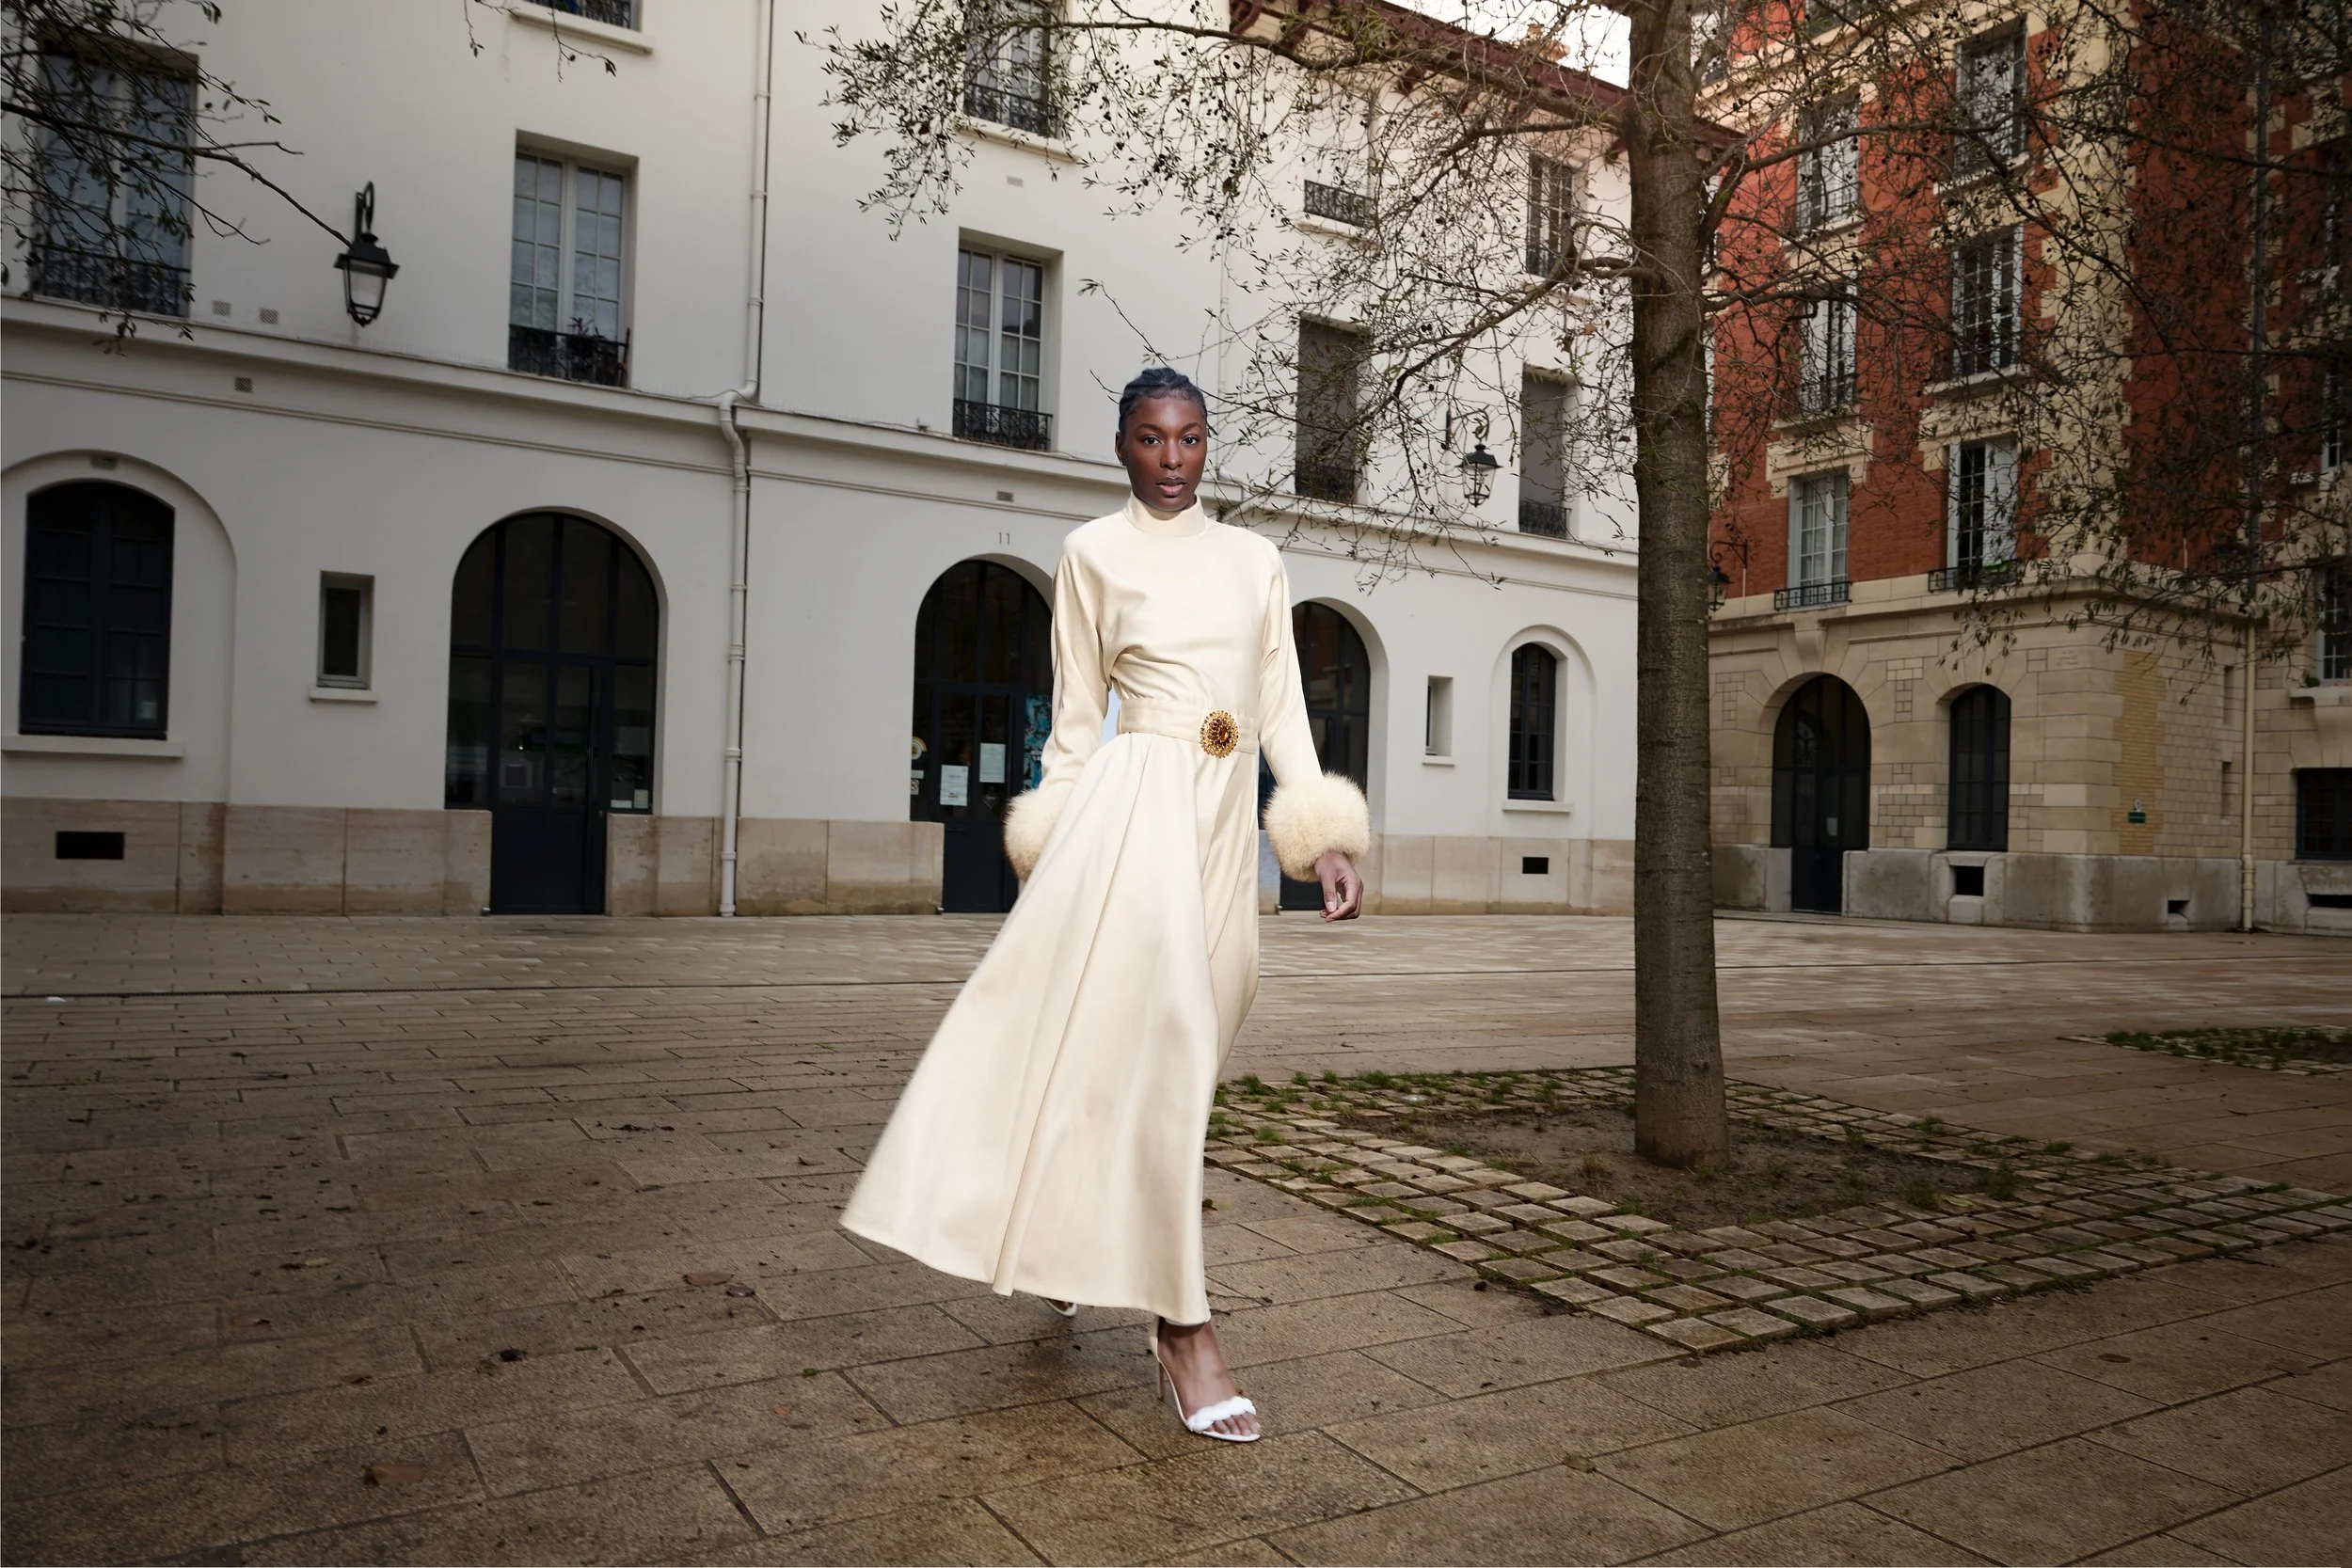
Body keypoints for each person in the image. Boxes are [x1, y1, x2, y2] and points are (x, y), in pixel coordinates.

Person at [841, 366, 1369, 1442]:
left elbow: (1281, 710)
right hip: (1133, 817)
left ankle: (1072, 1238)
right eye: (1148, 439)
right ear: (1119, 445)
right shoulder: (1090, 554)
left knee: (1168, 1057)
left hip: (1224, 839)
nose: (1170, 459)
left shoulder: (1256, 560)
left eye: (1188, 438)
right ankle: (1185, 1332)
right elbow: (1076, 725)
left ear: (1208, 445)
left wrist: (1320, 838)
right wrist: (1053, 862)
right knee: (1163, 1060)